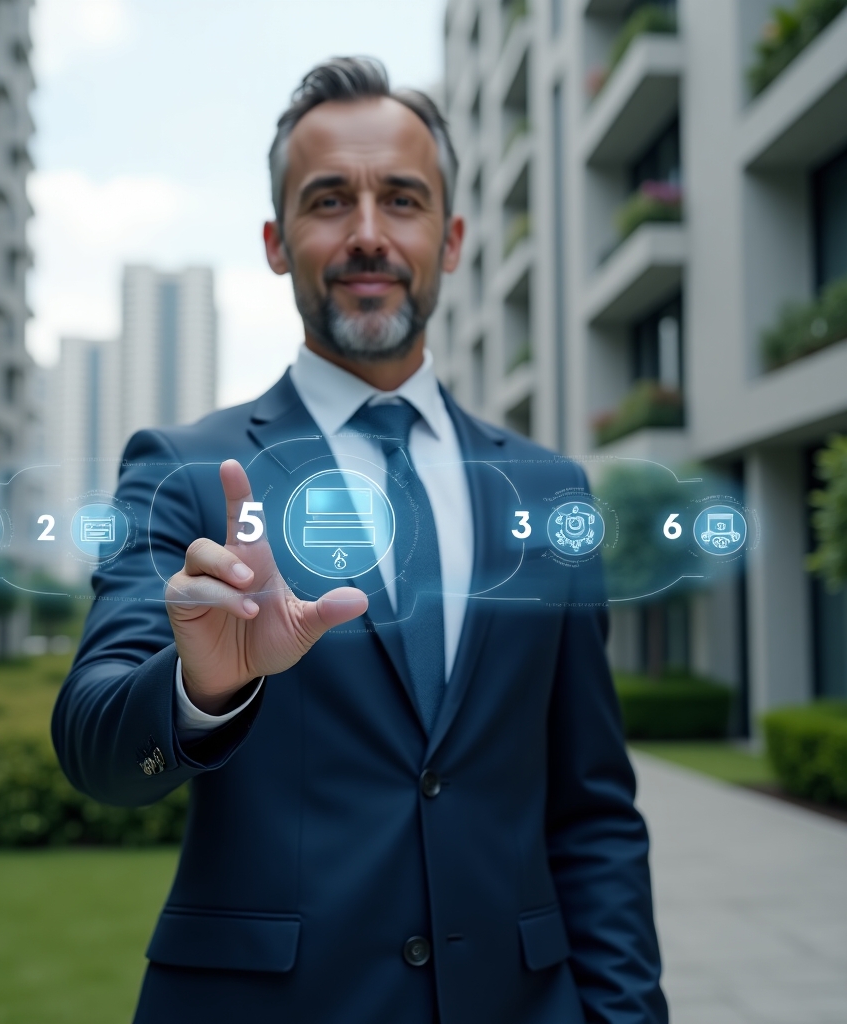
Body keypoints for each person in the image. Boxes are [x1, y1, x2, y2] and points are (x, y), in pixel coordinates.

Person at [52, 57, 667, 1024]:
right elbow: (93, 745)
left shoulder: (550, 493)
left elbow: (592, 812)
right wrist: (203, 686)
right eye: (330, 200)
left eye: (404, 200)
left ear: (452, 238)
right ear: (276, 240)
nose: (369, 235)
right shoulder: (184, 469)